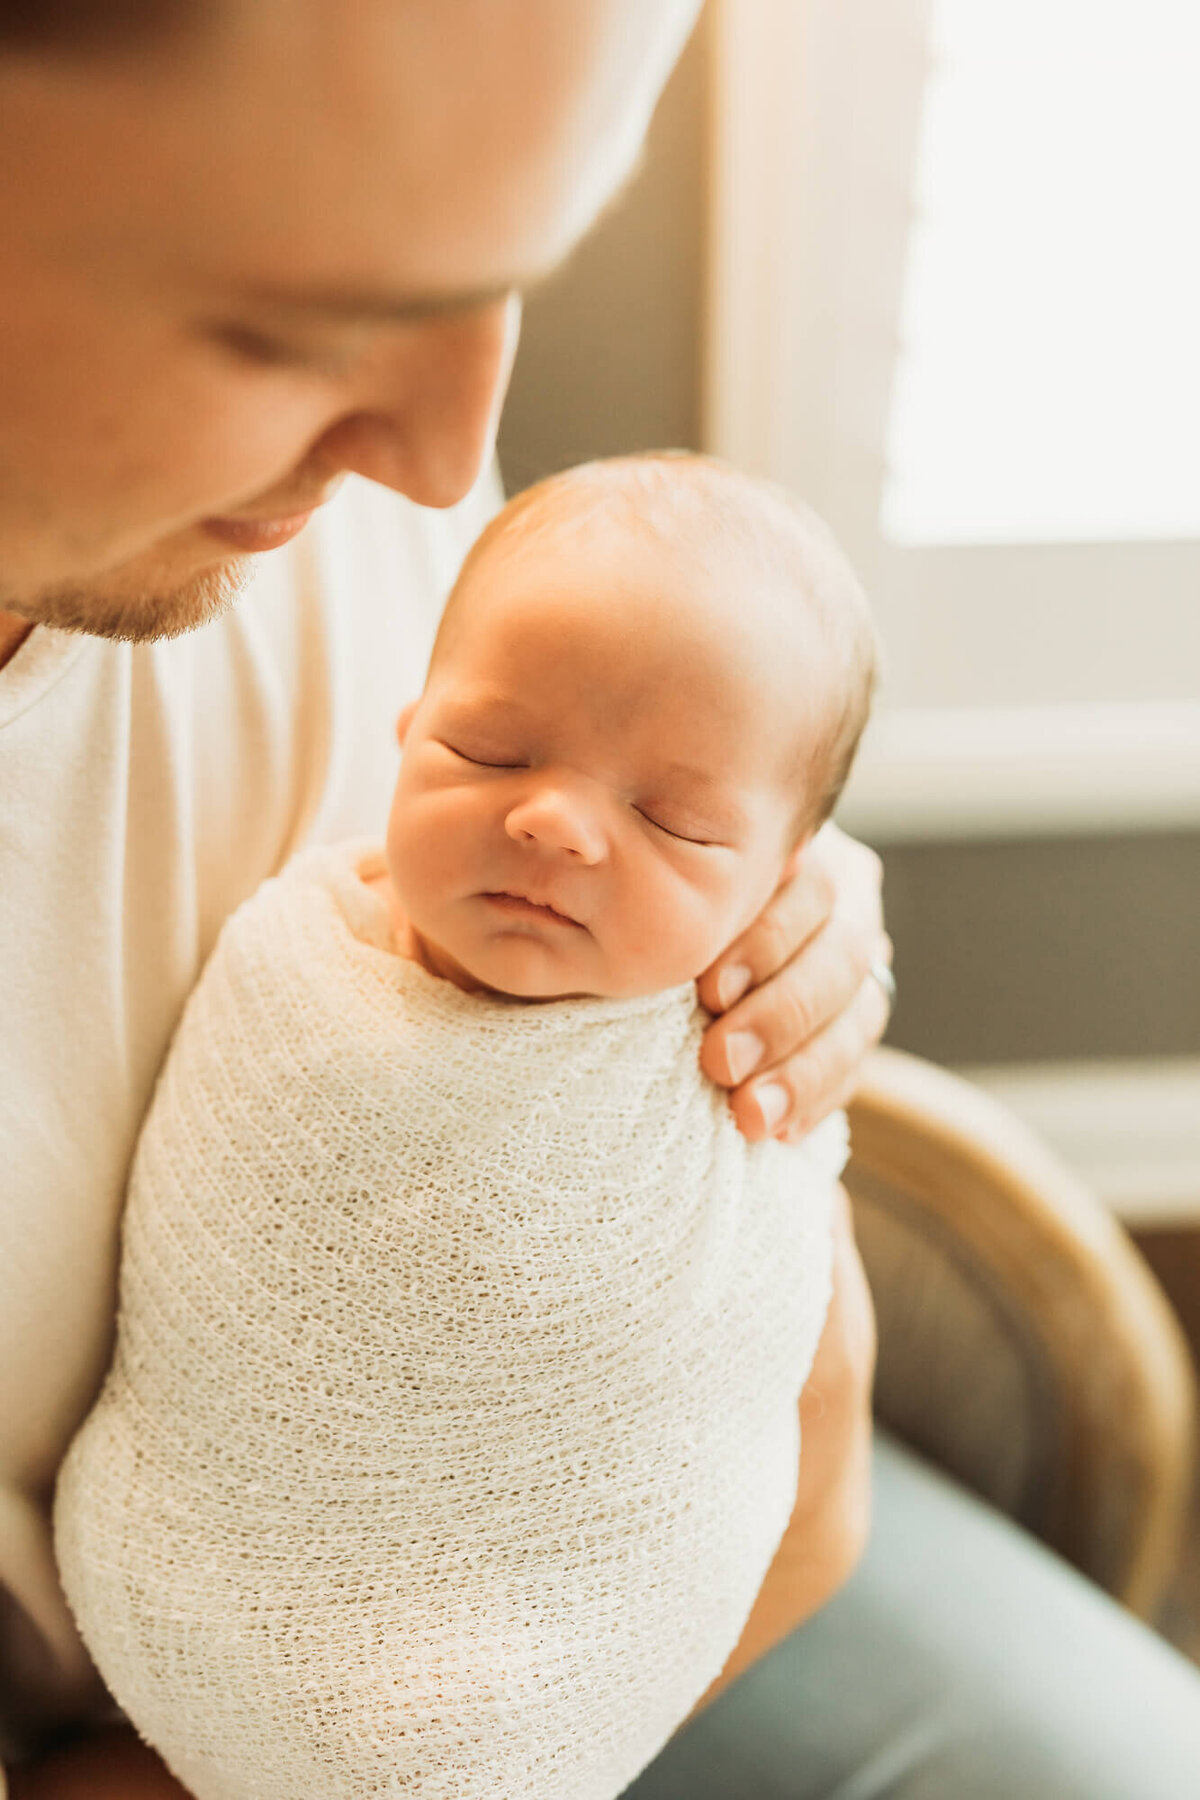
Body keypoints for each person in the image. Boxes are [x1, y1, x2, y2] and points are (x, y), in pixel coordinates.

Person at [0, 5, 1196, 1799]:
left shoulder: (324, 483)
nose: (438, 456)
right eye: (295, 321)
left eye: (511, 272)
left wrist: (772, 935)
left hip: (633, 1528)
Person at [54, 453, 878, 1800]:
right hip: (174, 1658)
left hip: (578, 1636)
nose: (552, 821)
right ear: (405, 731)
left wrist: (834, 957)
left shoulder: (727, 1027)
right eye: (488, 752)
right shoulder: (298, 961)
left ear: (783, 880)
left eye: (673, 819)